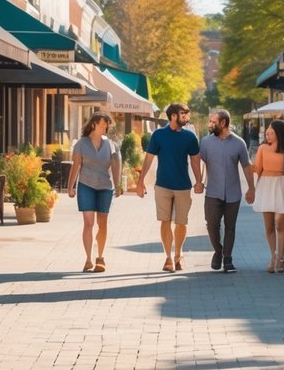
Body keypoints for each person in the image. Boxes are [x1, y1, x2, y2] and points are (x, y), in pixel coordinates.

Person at [136, 102, 201, 272]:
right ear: (173, 116)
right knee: (165, 220)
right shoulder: (158, 135)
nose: (186, 116)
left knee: (181, 223)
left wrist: (199, 181)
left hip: (183, 186)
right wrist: (141, 181)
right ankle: (168, 257)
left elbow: (195, 161)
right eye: (183, 113)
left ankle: (178, 254)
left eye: (187, 113)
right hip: (163, 185)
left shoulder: (189, 137)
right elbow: (149, 158)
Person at [195, 108, 256, 273]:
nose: (210, 125)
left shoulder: (239, 143)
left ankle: (228, 259)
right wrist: (199, 182)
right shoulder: (206, 142)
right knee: (212, 225)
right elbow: (202, 162)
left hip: (233, 193)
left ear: (223, 123)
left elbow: (246, 166)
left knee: (230, 227)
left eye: (213, 122)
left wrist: (251, 187)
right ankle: (218, 250)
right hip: (212, 192)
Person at [66, 113, 123, 273]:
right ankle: (88, 259)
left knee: (102, 223)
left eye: (107, 125)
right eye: (104, 124)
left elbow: (116, 165)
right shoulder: (81, 144)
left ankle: (100, 257)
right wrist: (70, 187)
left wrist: (118, 185)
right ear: (94, 124)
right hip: (86, 186)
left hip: (105, 186)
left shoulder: (111, 145)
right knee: (88, 223)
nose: (106, 127)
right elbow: (76, 165)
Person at [252, 119, 284, 273]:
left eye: (271, 133)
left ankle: (281, 257)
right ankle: (273, 256)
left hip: (281, 185)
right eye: (267, 133)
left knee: (280, 222)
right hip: (265, 185)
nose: (268, 135)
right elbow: (257, 168)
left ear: (279, 133)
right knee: (269, 226)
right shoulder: (263, 148)